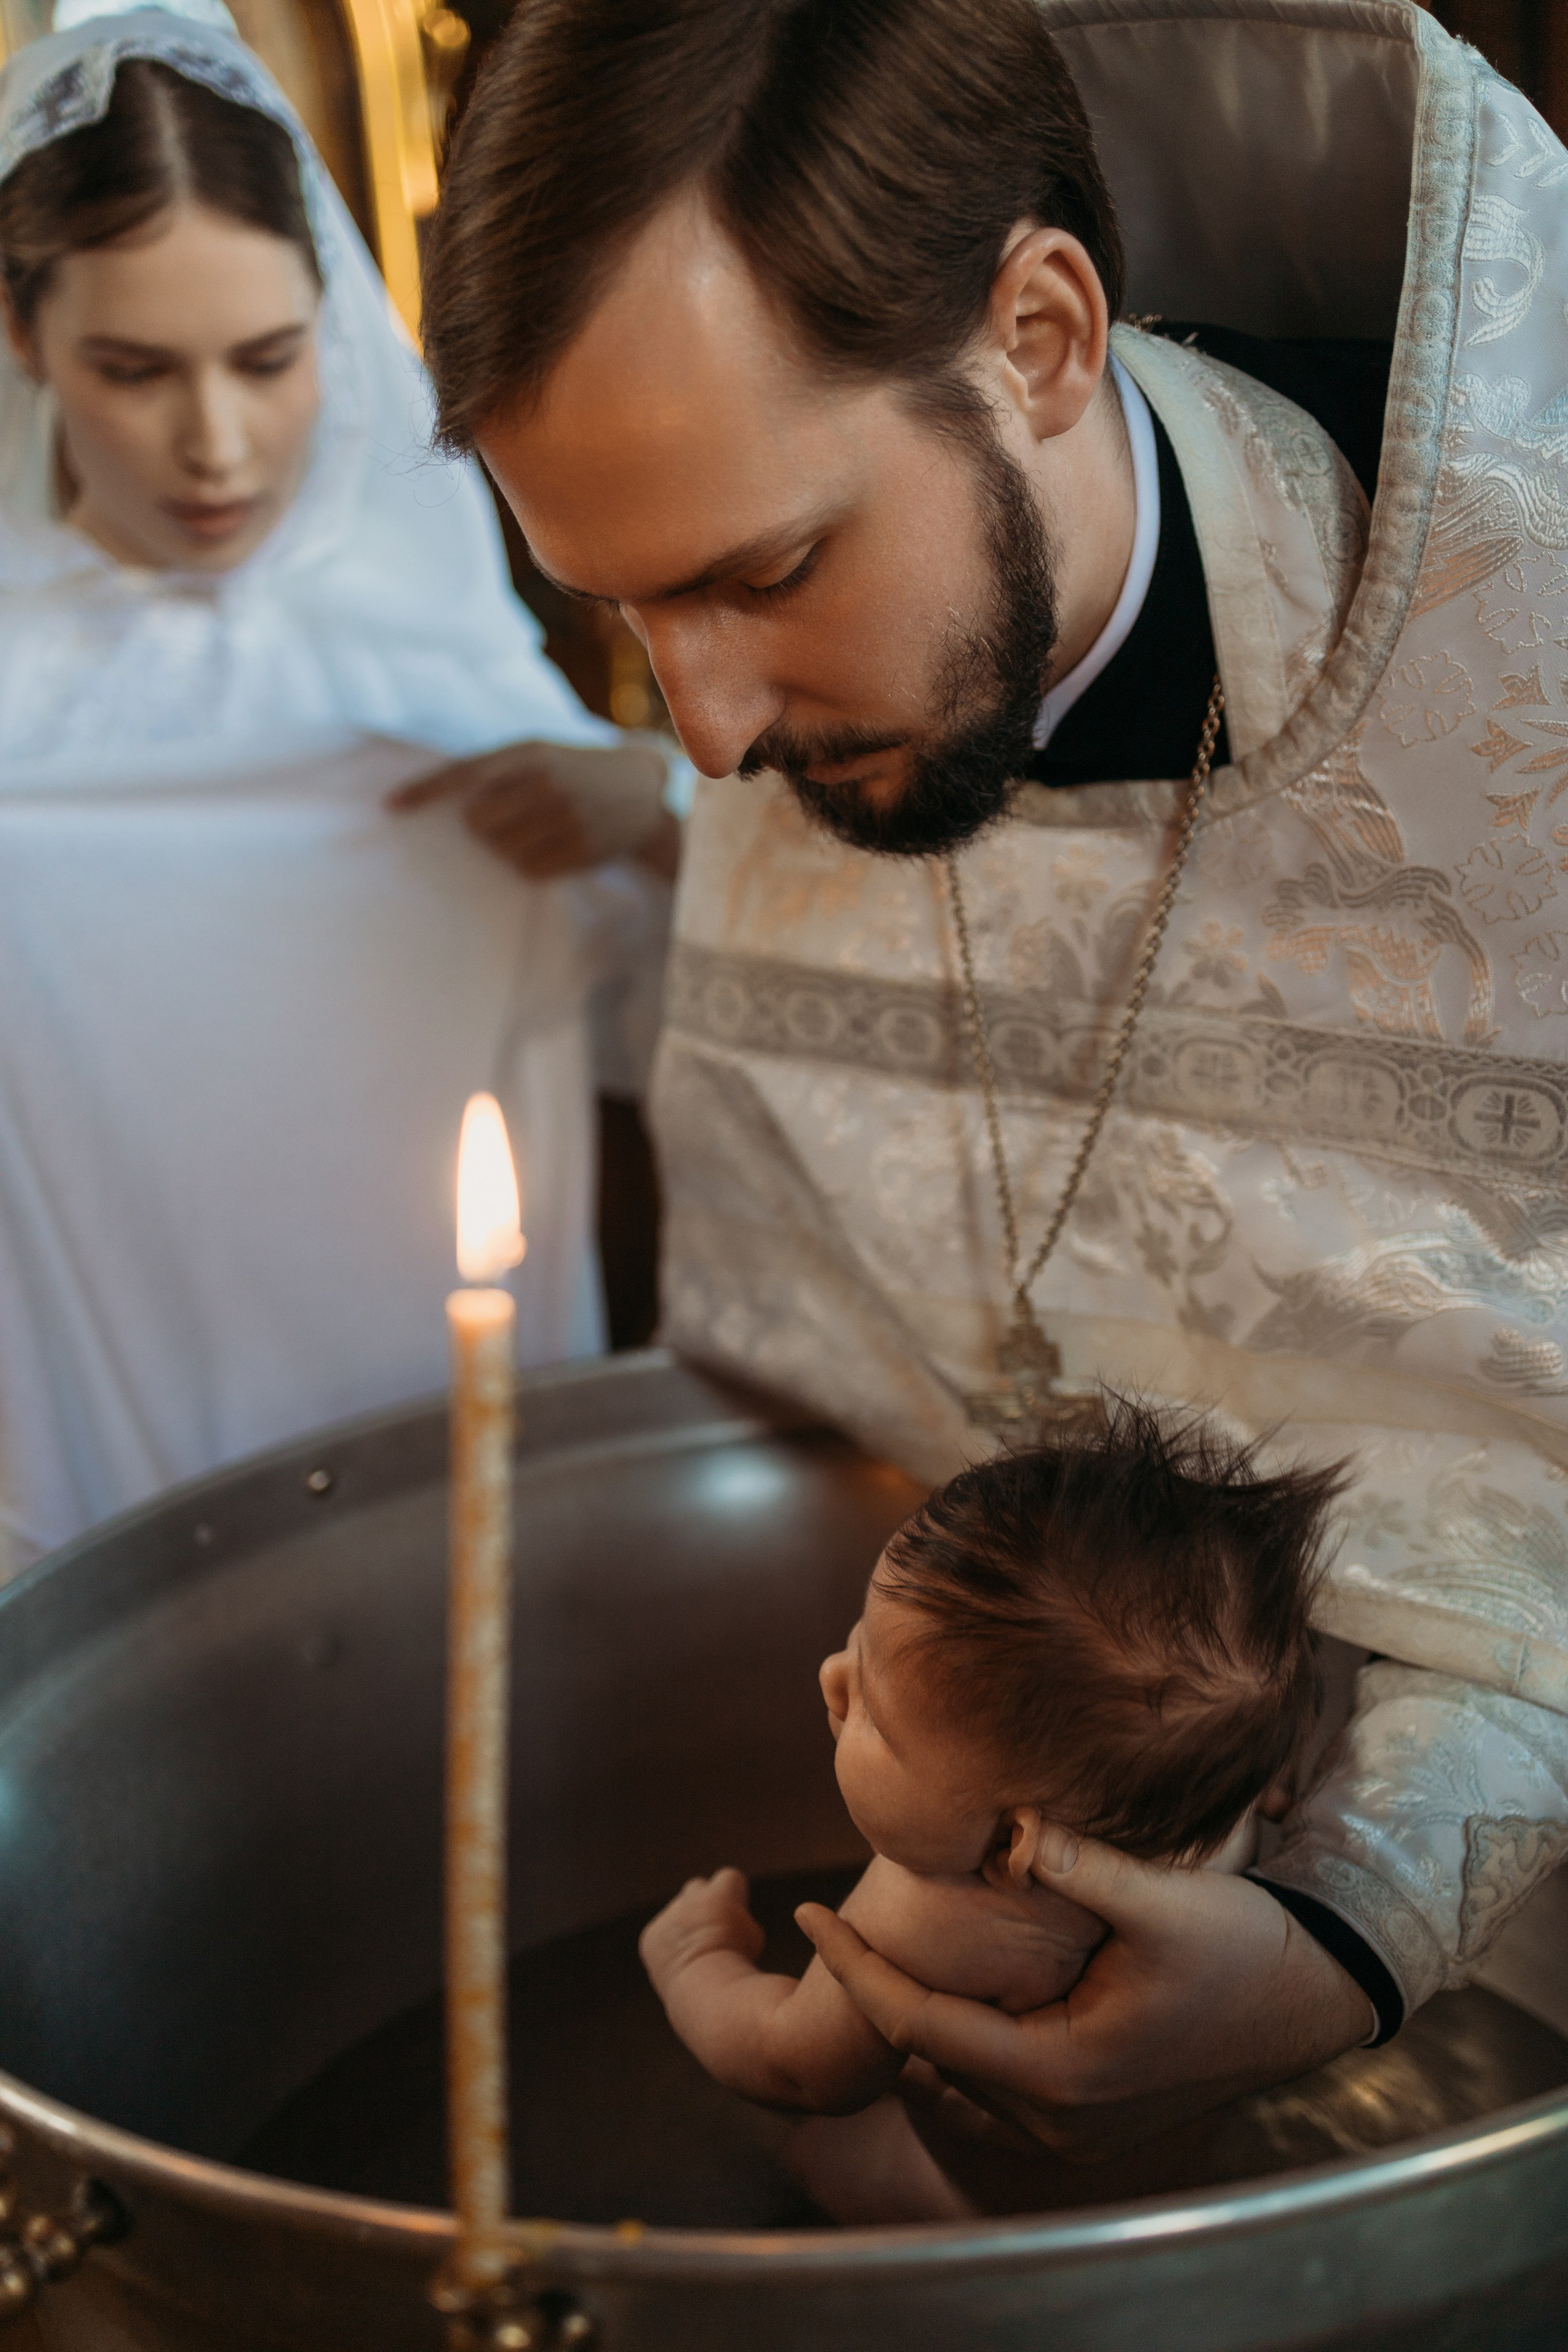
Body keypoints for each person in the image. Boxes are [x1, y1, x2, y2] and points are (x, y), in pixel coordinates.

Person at [419, 0, 1568, 2166]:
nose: (704, 739)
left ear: (1040, 333)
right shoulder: (811, 724)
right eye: (618, 612)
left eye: (765, 570)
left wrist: (1355, 1918)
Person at [0, 0, 677, 1569]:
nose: (215, 443)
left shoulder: (444, 676)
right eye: (133, 368)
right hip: (91, 1482)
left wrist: (653, 823)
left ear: (335, 318)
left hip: (454, 1487)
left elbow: (743, 1053)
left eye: (266, 358)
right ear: (25, 342)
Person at [641, 1409, 1338, 2219]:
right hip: (1182, 2181)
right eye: (861, 1644)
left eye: (878, 1720)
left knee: (821, 2154)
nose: (834, 1677)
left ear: (1015, 1846)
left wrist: (695, 1957)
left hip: (983, 2223)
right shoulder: (1218, 1804)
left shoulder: (930, 1920)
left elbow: (792, 2069)